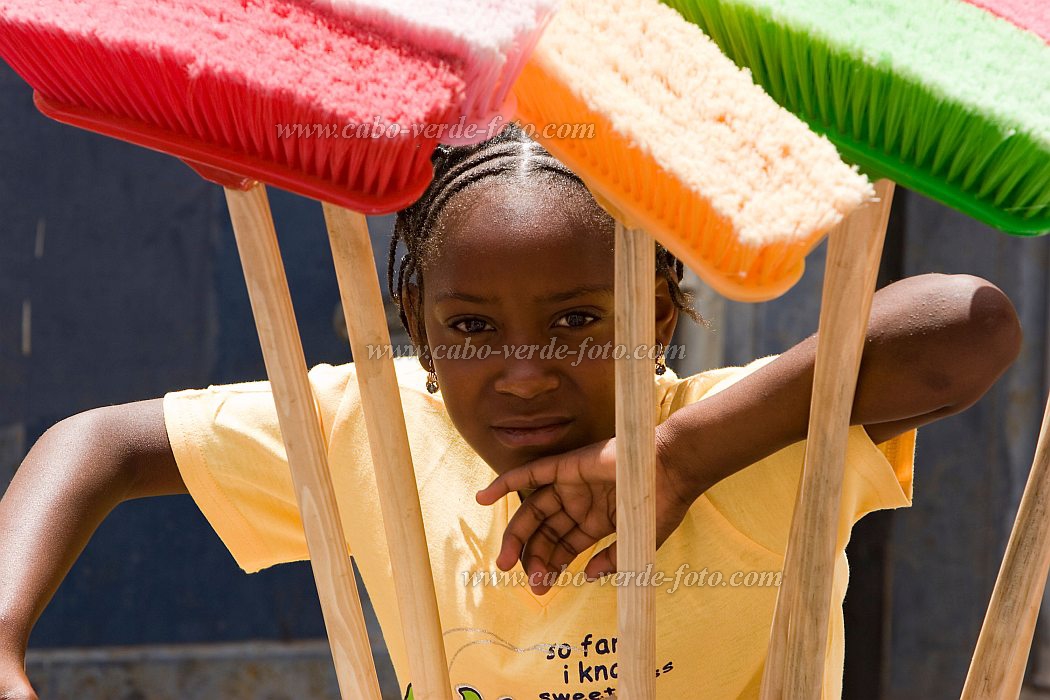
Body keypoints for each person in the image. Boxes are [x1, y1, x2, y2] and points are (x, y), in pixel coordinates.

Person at [0, 125, 1023, 700]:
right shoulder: (376, 427)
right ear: (415, 326)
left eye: (581, 319)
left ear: (657, 311)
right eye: (475, 327)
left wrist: (678, 457)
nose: (526, 372)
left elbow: (968, 328)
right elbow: (94, 444)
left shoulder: (748, 439)